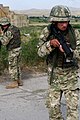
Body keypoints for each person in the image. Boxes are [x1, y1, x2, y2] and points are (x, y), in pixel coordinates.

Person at [37, 5, 80, 120]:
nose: (64, 24)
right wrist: (50, 44)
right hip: (54, 77)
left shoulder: (75, 33)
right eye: (61, 22)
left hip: (71, 76)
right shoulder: (47, 32)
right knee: (53, 110)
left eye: (66, 21)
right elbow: (39, 52)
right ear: (54, 21)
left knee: (73, 111)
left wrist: (70, 51)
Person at [0, 17, 23, 89]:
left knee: (13, 66)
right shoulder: (15, 28)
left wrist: (1, 35)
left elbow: (4, 42)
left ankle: (14, 82)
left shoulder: (8, 32)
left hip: (13, 50)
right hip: (18, 49)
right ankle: (19, 81)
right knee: (17, 66)